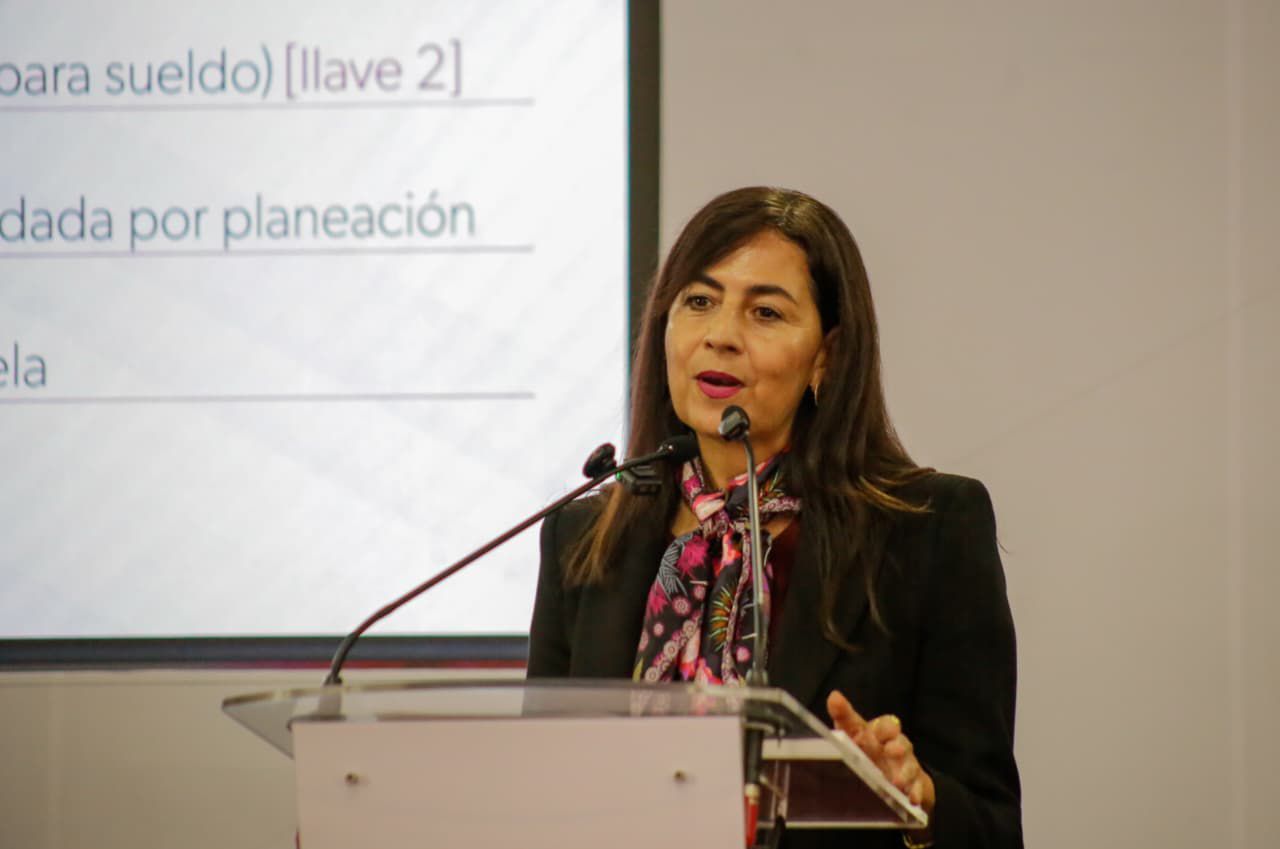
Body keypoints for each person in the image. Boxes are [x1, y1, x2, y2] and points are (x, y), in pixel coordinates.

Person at [527, 186, 1021, 848]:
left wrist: (918, 798)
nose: (720, 335)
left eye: (765, 312)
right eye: (698, 301)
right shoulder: (581, 539)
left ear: (827, 354)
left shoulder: (927, 530)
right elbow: (538, 798)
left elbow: (992, 825)